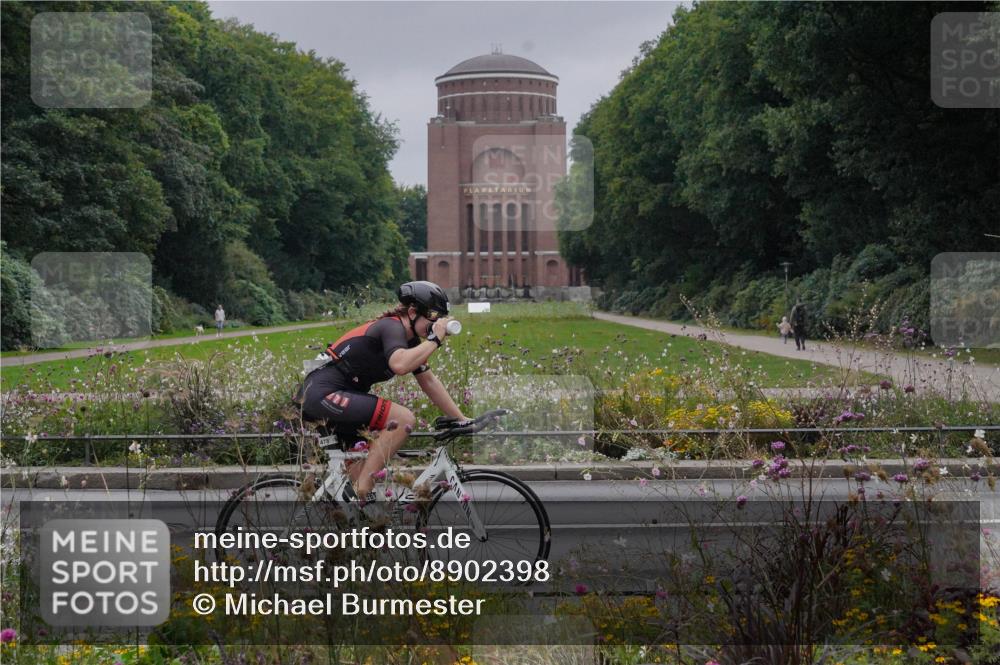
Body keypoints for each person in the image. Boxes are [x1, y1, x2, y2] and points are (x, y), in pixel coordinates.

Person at [294, 281, 468, 503]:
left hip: (337, 398)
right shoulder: (391, 327)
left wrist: (462, 420)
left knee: (364, 503)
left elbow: (429, 382)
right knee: (403, 418)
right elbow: (399, 365)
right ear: (413, 312)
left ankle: (353, 526)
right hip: (322, 394)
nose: (436, 325)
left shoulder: (410, 340)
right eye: (433, 318)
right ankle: (361, 491)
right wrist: (435, 339)